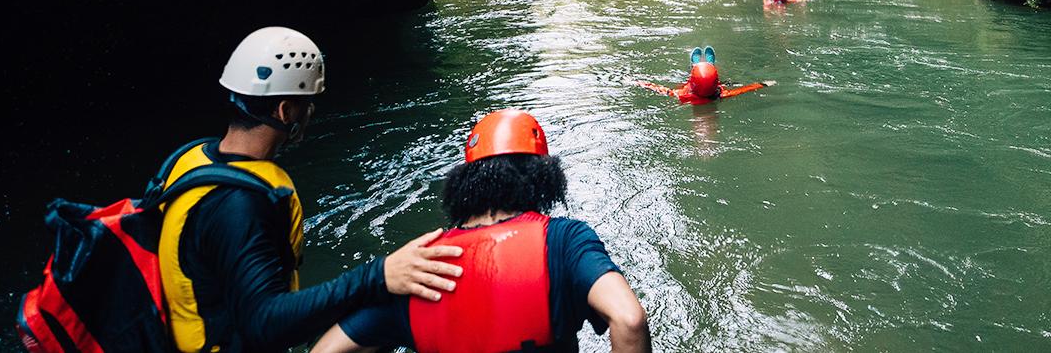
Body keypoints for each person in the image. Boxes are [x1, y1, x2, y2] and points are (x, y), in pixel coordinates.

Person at [157, 26, 466, 353]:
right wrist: (379, 275)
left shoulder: (192, 159)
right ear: (285, 111)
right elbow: (264, 323)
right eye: (307, 104)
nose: (310, 113)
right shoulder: (239, 204)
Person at [310, 108, 651, 353]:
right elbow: (629, 319)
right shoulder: (564, 240)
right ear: (543, 179)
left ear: (468, 182)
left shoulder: (418, 266)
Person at [637, 46, 771, 105]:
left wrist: (639, 83)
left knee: (700, 78)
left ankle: (696, 65)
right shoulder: (720, 94)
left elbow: (659, 88)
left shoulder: (683, 95)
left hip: (696, 84)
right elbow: (745, 89)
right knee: (727, 83)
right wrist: (763, 84)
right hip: (709, 84)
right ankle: (709, 64)